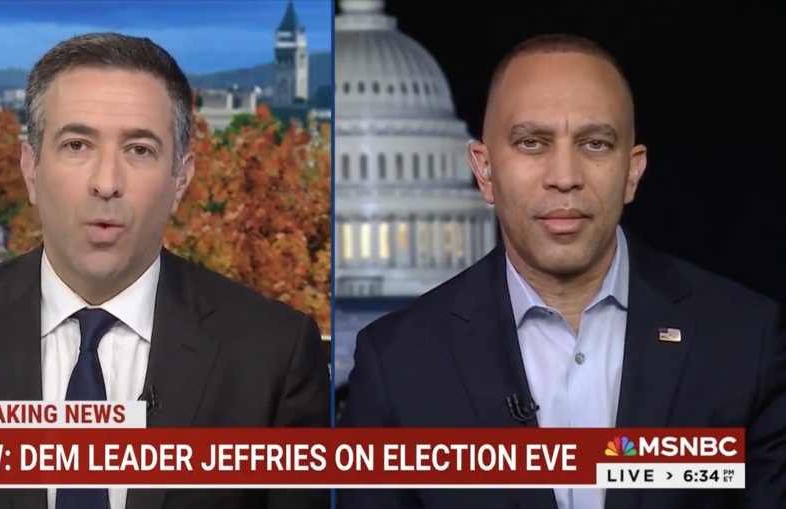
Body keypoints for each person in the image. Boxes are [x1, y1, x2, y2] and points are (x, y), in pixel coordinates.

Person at [0, 33, 331, 509]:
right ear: (30, 170)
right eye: (77, 145)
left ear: (181, 179)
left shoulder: (273, 356)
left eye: (139, 150)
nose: (106, 183)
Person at [336, 33, 786, 509]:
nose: (564, 176)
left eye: (594, 144)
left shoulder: (744, 341)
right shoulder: (399, 365)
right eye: (532, 143)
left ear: (632, 172)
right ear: (484, 170)